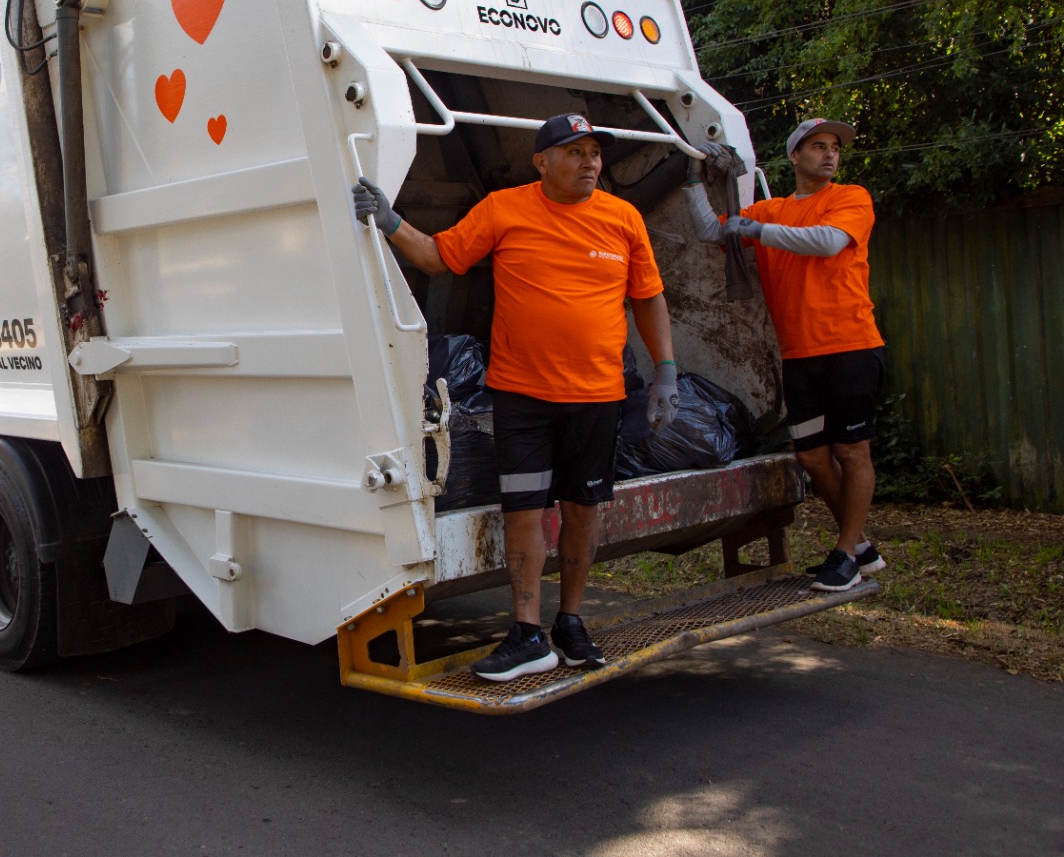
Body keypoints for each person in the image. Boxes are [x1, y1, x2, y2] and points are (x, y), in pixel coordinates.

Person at [352, 113, 680, 681]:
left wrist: (667, 371)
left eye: (594, 153)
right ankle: (528, 632)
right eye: (575, 153)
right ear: (542, 162)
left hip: (597, 396)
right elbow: (436, 257)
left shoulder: (622, 218)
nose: (590, 163)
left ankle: (571, 622)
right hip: (523, 397)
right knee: (524, 511)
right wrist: (388, 220)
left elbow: (648, 298)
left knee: (583, 509)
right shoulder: (506, 208)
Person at [683, 118, 887, 593]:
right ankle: (858, 548)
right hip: (799, 354)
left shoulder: (849, 198)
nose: (830, 154)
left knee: (853, 451)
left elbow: (828, 242)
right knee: (813, 458)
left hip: (852, 346)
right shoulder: (772, 210)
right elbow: (713, 232)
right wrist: (692, 176)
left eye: (834, 147)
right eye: (818, 146)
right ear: (795, 157)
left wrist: (754, 227)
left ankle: (844, 554)